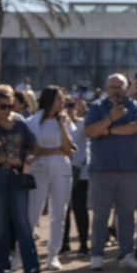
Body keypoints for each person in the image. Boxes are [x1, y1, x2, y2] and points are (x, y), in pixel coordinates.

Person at [84, 73, 137, 271]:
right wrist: (111, 118)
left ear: (127, 88)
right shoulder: (97, 107)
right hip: (102, 170)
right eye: (112, 87)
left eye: (120, 87)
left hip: (129, 170)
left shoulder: (135, 106)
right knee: (101, 215)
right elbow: (90, 132)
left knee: (127, 216)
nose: (116, 91)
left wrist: (109, 129)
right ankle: (97, 255)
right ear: (106, 88)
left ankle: (126, 254)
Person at [0, 88, 40, 273]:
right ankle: (1, 266)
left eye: (11, 106)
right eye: (3, 106)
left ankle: (31, 266)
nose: (7, 110)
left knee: (22, 221)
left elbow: (34, 146)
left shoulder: (20, 123)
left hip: (18, 178)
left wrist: (30, 158)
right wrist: (4, 159)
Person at [27, 87, 75, 272]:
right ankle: (25, 252)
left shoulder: (64, 121)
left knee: (59, 213)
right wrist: (55, 150)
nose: (62, 103)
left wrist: (63, 124)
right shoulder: (32, 121)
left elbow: (69, 149)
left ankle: (53, 254)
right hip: (38, 170)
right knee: (33, 212)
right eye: (59, 99)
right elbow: (34, 150)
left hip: (61, 169)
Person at [62, 97, 90, 258]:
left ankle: (84, 243)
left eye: (72, 105)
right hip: (64, 170)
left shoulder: (82, 123)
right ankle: (64, 243)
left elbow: (88, 136)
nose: (69, 108)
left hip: (81, 172)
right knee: (63, 209)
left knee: (80, 209)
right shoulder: (60, 124)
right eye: (66, 106)